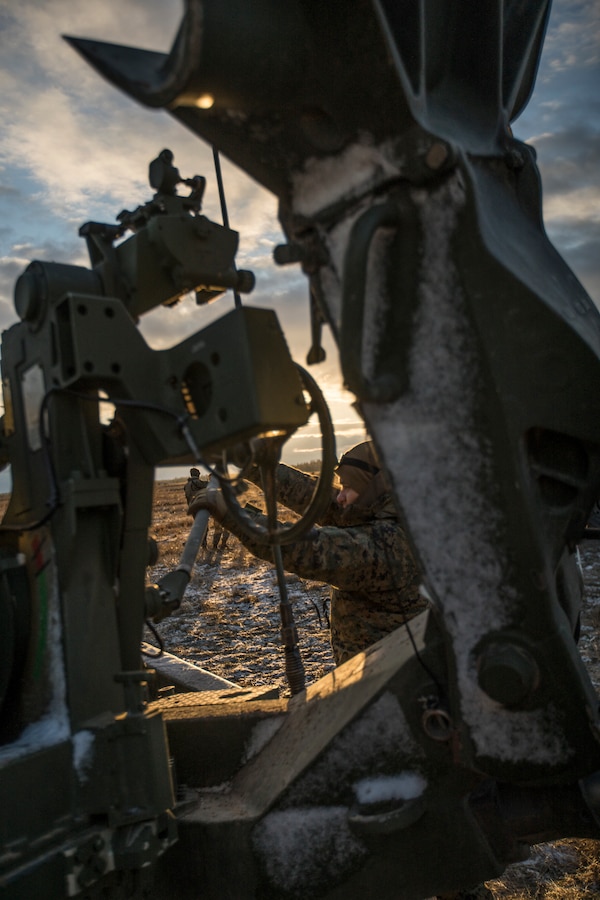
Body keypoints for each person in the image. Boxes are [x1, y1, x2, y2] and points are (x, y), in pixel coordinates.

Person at [185, 441, 427, 664]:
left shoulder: (393, 543)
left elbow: (306, 549)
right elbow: (313, 496)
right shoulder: (384, 510)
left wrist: (233, 513)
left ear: (373, 488)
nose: (340, 496)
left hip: (391, 678)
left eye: (348, 487)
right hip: (377, 669)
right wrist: (253, 464)